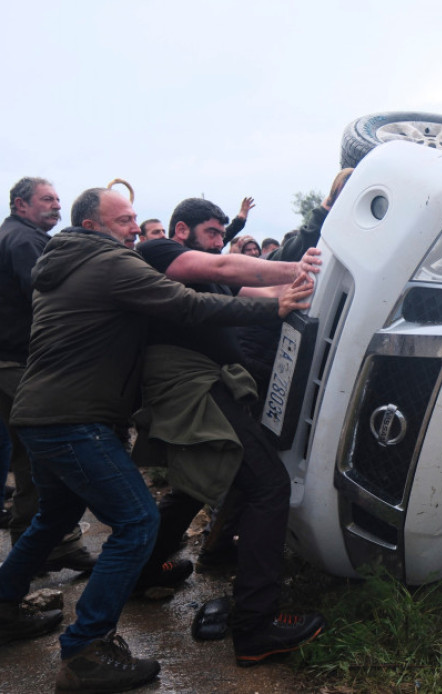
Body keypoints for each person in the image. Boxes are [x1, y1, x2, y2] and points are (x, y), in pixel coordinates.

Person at [0, 186, 313, 693]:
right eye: (125, 221)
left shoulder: (62, 267)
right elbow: (186, 303)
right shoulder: (109, 264)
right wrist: (272, 310)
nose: (135, 228)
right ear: (93, 225)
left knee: (53, 518)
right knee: (136, 520)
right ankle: (85, 650)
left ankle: (5, 602)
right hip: (75, 418)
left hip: (38, 414)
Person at [133, 197, 325, 666]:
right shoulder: (159, 255)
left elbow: (257, 295)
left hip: (209, 380)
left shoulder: (210, 275)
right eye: (213, 232)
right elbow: (226, 266)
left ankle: (142, 573)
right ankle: (257, 626)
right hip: (189, 381)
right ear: (182, 231)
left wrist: (309, 283)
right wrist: (291, 265)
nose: (220, 239)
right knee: (267, 485)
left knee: (196, 483)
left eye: (223, 231)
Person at [0, 177, 96, 571]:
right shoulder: (24, 241)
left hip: (11, 364)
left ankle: (39, 550)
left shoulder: (17, 235)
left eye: (58, 199)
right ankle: (41, 551)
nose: (57, 206)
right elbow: (48, 295)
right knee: (52, 456)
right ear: (21, 204)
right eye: (47, 199)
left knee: (29, 460)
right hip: (20, 365)